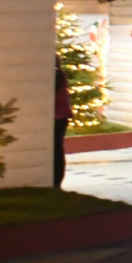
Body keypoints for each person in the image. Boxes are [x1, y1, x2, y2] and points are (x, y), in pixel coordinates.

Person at [53, 59, 71, 190]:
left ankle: (56, 180)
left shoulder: (56, 75)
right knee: (57, 147)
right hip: (61, 115)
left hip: (58, 117)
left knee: (56, 148)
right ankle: (56, 180)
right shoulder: (59, 74)